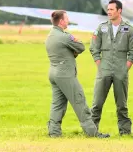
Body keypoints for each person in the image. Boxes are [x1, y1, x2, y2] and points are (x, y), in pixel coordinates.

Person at [45, 10, 110, 138]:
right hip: (65, 74)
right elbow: (80, 47)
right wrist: (73, 52)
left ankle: (54, 131)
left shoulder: (50, 36)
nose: (68, 21)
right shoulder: (64, 36)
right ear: (62, 21)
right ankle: (92, 132)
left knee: (57, 103)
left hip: (53, 72)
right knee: (79, 101)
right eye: (67, 18)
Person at [89, 0, 133, 135]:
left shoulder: (129, 28)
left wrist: (125, 68)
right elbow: (94, 48)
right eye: (108, 9)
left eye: (111, 9)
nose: (109, 12)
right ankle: (92, 130)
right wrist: (100, 64)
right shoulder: (101, 27)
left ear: (119, 11)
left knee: (122, 105)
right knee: (97, 103)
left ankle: (125, 132)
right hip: (103, 70)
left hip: (121, 71)